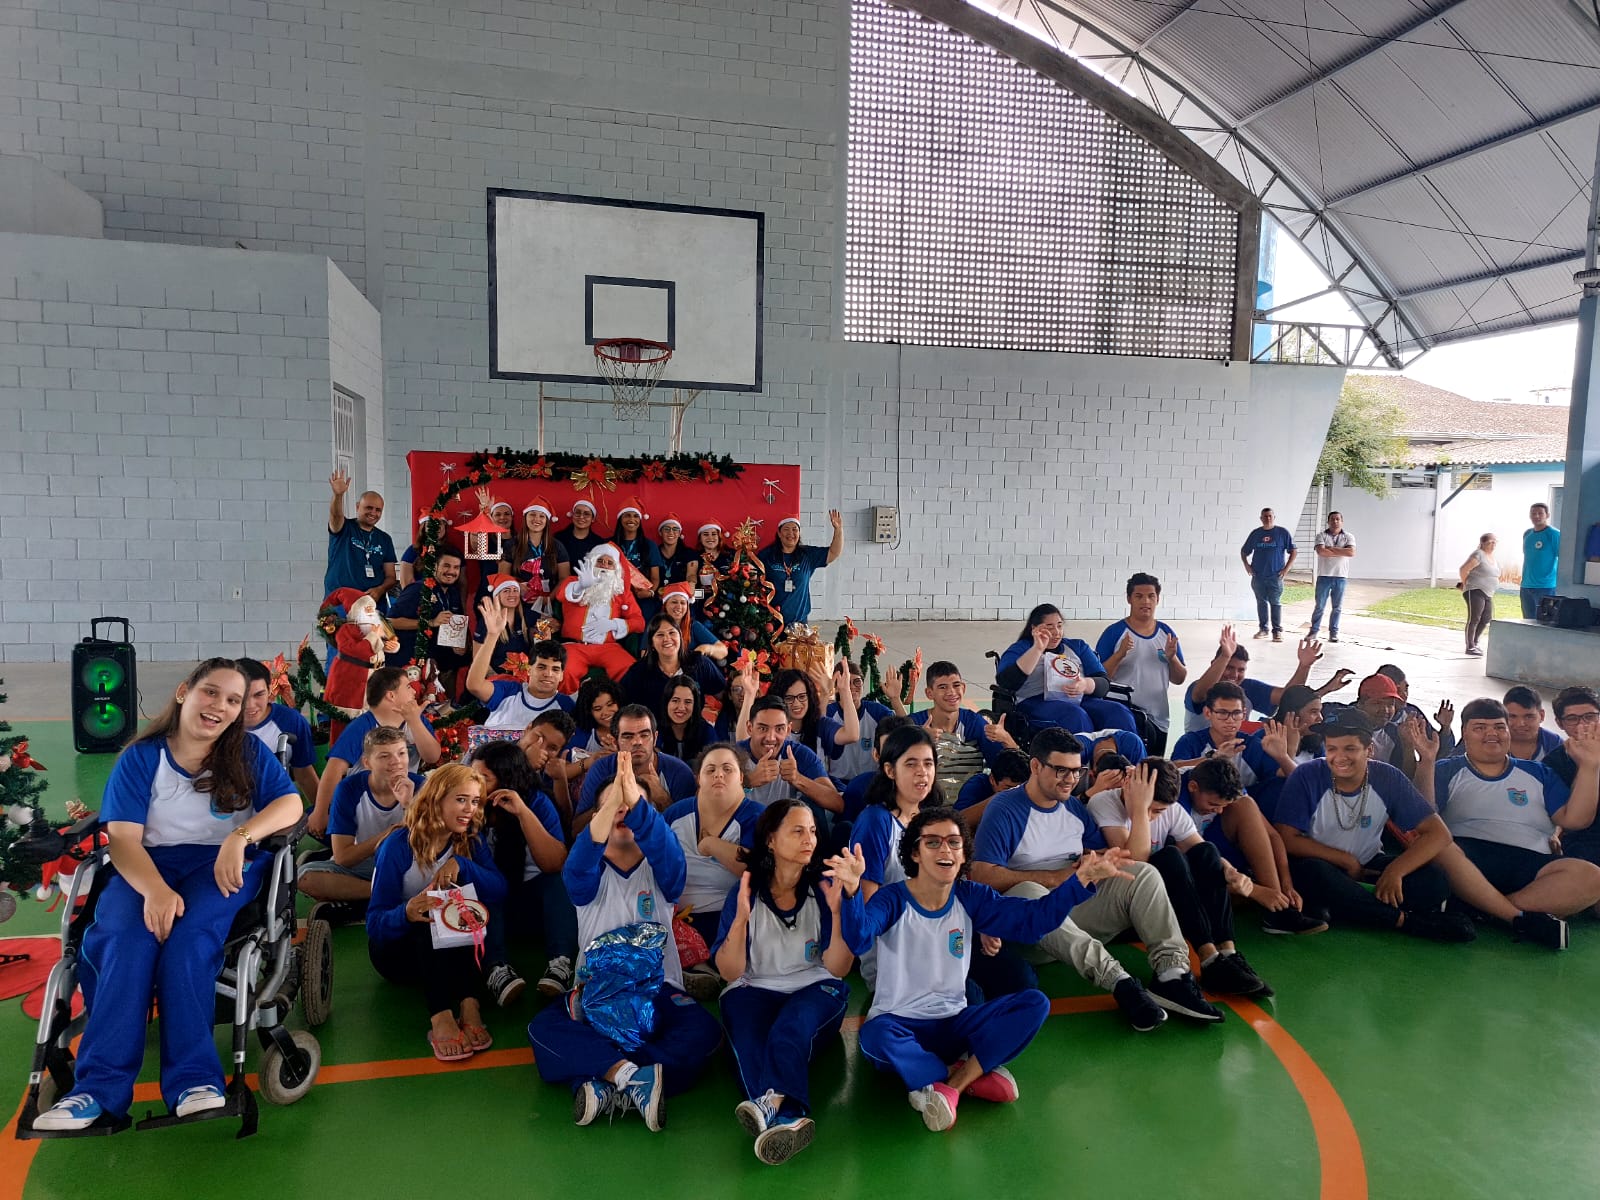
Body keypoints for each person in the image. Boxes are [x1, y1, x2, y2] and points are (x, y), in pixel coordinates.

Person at [31, 660, 304, 1131]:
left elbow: (291, 803)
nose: (220, 706)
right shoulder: (143, 757)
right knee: (121, 939)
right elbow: (121, 838)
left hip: (217, 864)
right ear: (184, 692)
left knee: (189, 941)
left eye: (233, 701)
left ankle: (195, 1081)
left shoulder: (247, 756)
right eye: (211, 693)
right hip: (145, 865)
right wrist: (155, 890)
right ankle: (97, 1092)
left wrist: (239, 839)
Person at [828, 806, 1133, 1132]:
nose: (945, 849)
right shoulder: (892, 899)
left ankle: (950, 1086)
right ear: (915, 853)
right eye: (932, 842)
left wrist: (1081, 879)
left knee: (1034, 1003)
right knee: (874, 1036)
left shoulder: (971, 896)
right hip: (901, 1024)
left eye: (954, 843)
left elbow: (1033, 920)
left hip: (957, 1024)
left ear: (963, 856)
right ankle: (966, 1075)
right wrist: (851, 892)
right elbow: (859, 939)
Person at [970, 728, 1220, 1031]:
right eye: (1061, 770)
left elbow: (1105, 853)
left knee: (1143, 873)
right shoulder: (1005, 809)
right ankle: (1119, 981)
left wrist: (1101, 862)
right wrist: (1054, 878)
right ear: (1036, 767)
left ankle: (1172, 974)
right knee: (1028, 891)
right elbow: (982, 875)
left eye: (1077, 771)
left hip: (1072, 915)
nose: (1070, 779)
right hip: (1028, 931)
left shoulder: (1074, 808)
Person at [527, 752, 723, 1130]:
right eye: (612, 808)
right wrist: (614, 801)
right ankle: (635, 1076)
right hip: (595, 996)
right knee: (542, 1030)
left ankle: (604, 1076)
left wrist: (634, 799)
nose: (623, 814)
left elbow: (665, 850)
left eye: (632, 808)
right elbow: (582, 859)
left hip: (659, 993)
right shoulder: (584, 872)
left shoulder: (664, 871)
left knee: (705, 1032)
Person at [712, 799, 852, 1165]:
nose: (810, 838)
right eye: (797, 830)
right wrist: (741, 919)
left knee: (791, 1027)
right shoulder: (744, 893)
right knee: (747, 1041)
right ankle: (789, 1118)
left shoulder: (823, 890)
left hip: (816, 986)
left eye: (813, 831)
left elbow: (838, 968)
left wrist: (838, 912)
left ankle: (771, 1102)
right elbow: (729, 972)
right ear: (771, 840)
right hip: (753, 987)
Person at [1272, 709, 1478, 943]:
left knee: (1434, 879)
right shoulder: (1306, 775)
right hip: (1321, 863)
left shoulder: (1387, 777)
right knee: (1314, 875)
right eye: (1332, 749)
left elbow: (1439, 834)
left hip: (1368, 864)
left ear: (1369, 750)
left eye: (1350, 749)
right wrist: (1345, 860)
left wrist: (1395, 871)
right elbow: (1287, 838)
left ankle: (1352, 908)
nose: (1339, 758)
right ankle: (1406, 921)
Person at [1089, 761, 1270, 997]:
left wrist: (1230, 871)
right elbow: (1136, 863)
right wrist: (1139, 809)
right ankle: (1208, 958)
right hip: (1128, 903)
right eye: (1152, 810)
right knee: (1170, 857)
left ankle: (1227, 954)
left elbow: (1201, 849)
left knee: (1208, 852)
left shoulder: (1170, 808)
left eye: (1159, 812)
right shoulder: (1104, 802)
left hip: (1166, 902)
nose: (1153, 818)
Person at [366, 765, 506, 1061]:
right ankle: (441, 1015)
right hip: (400, 953)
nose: (469, 809)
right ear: (436, 798)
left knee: (472, 912)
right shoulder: (399, 846)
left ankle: (469, 1004)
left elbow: (499, 890)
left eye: (475, 801)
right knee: (428, 919)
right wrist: (406, 912)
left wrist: (463, 865)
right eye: (460, 800)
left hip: (451, 953)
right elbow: (374, 926)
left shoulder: (470, 841)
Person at [1434, 698, 1600, 929]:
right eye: (1480, 728)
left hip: (1530, 860)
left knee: (1592, 876)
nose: (1491, 734)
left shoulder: (1539, 772)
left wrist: (1589, 766)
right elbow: (1424, 819)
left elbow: (1576, 820)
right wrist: (1425, 765)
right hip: (1467, 857)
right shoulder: (1446, 769)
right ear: (1465, 733)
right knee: (1439, 848)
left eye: (1499, 727)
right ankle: (1518, 918)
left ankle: (1483, 910)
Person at [475, 740, 577, 1004]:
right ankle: (496, 969)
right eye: (472, 776)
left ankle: (560, 963)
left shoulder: (538, 803)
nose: (475, 784)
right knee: (487, 885)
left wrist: (522, 812)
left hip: (535, 907)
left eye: (484, 778)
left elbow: (555, 863)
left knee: (558, 881)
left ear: (506, 779)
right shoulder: (470, 805)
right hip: (494, 910)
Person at [1180, 756, 1326, 935]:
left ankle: (1278, 908)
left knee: (1246, 805)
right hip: (1192, 864)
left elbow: (1273, 836)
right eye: (1213, 804)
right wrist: (1256, 892)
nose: (1218, 811)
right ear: (1193, 787)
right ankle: (1270, 904)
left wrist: (1286, 884)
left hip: (1224, 859)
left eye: (1223, 806)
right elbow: (1190, 860)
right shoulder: (1176, 797)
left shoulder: (1231, 789)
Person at [663, 743, 765, 997]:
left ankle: (707, 968)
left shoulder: (757, 817)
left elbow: (760, 869)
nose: (719, 774)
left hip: (731, 917)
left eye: (727, 769)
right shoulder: (676, 814)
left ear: (741, 777)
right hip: (679, 919)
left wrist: (712, 845)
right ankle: (696, 970)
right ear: (698, 778)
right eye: (711, 769)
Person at [298, 725, 424, 922]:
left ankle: (360, 902)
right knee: (305, 877)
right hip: (366, 863)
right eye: (384, 756)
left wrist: (409, 805)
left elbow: (427, 848)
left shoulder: (422, 787)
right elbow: (343, 858)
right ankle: (385, 895)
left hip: (408, 864)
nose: (397, 762)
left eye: (401, 753)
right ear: (367, 763)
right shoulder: (349, 789)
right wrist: (388, 835)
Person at [311, 667, 441, 838]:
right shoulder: (362, 726)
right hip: (365, 801)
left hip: (403, 796)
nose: (413, 691)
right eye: (408, 687)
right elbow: (334, 768)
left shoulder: (416, 720)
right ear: (391, 696)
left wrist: (415, 722)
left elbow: (432, 756)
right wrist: (320, 813)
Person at [995, 604, 1137, 735]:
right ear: (1035, 629)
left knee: (1119, 712)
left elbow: (1103, 682)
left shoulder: (1078, 647)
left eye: (1059, 626)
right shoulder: (1021, 649)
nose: (1056, 632)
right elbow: (1006, 681)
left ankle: (1124, 759)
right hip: (1036, 702)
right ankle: (1081, 759)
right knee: (1075, 716)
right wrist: (1037, 649)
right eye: (1049, 627)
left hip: (1078, 698)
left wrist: (1085, 684)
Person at [1180, 626, 1351, 733]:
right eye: (1228, 667)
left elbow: (1288, 698)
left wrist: (1304, 666)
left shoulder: (1247, 687)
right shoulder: (1199, 688)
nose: (1234, 675)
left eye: (1240, 670)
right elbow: (1201, 693)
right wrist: (1225, 655)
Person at [1094, 573, 1187, 754]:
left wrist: (1172, 658)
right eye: (1139, 596)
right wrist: (1120, 654)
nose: (1146, 601)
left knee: (1152, 771)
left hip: (1159, 717)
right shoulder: (1114, 633)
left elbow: (1179, 678)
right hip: (1124, 715)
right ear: (1129, 599)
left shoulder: (1166, 633)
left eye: (1151, 596)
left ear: (1157, 599)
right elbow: (1099, 679)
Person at [575, 704, 697, 826]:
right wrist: (612, 800)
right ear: (615, 742)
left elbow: (689, 833)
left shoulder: (680, 772)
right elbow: (576, 830)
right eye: (628, 736)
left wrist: (662, 799)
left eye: (644, 735)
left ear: (655, 738)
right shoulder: (601, 769)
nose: (637, 742)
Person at [914, 660, 1017, 803]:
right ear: (929, 693)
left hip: (968, 810)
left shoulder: (974, 722)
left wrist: (1006, 739)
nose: (951, 692)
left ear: (963, 688)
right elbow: (892, 766)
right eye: (943, 687)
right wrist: (917, 743)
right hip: (924, 812)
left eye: (956, 685)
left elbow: (1013, 767)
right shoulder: (914, 724)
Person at [1169, 683, 1296, 791]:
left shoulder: (1252, 745)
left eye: (1236, 713)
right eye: (1223, 713)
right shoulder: (1191, 741)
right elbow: (1172, 770)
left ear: (1244, 714)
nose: (1230, 720)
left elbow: (1294, 779)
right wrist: (1213, 758)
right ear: (1208, 713)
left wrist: (1283, 757)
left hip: (1242, 810)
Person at [557, 543, 645, 692]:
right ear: (591, 562)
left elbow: (639, 622)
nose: (604, 565)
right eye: (600, 561)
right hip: (575, 646)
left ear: (616, 569)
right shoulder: (574, 582)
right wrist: (581, 586)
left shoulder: (621, 592)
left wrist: (614, 625)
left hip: (608, 647)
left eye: (610, 563)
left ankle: (624, 709)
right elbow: (562, 595)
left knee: (630, 670)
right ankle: (566, 710)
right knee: (565, 671)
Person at [740, 695, 844, 819]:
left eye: (779, 729)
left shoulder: (799, 754)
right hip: (745, 829)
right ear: (750, 728)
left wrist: (797, 779)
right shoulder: (733, 756)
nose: (771, 737)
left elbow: (837, 803)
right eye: (763, 728)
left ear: (788, 730)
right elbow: (712, 805)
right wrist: (748, 782)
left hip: (787, 830)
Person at [237, 657, 318, 805]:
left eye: (258, 695)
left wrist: (322, 813)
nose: (250, 705)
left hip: (276, 811)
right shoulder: (217, 723)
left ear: (270, 691)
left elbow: (304, 774)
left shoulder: (291, 721)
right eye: (241, 696)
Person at [388, 546, 471, 691]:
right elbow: (391, 621)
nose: (451, 571)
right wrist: (430, 622)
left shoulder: (453, 593)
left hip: (439, 668)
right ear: (434, 566)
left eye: (456, 567)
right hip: (411, 669)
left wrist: (458, 645)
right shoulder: (418, 590)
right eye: (446, 566)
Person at [767, 664, 862, 779]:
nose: (796, 704)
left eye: (802, 696)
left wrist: (845, 691)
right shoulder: (770, 729)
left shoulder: (820, 724)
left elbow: (852, 735)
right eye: (789, 698)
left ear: (810, 696)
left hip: (817, 792)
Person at [466, 633, 573, 731]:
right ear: (530, 670)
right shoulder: (508, 691)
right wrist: (492, 635)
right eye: (541, 667)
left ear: (561, 675)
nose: (548, 674)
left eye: (555, 669)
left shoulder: (566, 706)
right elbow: (475, 686)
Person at [325, 467, 397, 609]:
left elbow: (391, 576)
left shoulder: (384, 539)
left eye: (378, 510)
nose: (373, 513)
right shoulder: (344, 528)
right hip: (340, 604)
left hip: (371, 606)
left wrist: (380, 589)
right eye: (369, 508)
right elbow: (335, 516)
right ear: (358, 506)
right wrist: (338, 495)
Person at [622, 612, 726, 709]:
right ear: (652, 643)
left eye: (672, 633)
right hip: (655, 728)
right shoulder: (639, 671)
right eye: (660, 635)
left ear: (680, 638)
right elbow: (621, 702)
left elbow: (724, 695)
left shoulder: (699, 662)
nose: (667, 639)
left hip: (695, 727)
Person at [758, 510, 844, 627]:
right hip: (771, 622)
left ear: (799, 533)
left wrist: (838, 530)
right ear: (779, 533)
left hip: (799, 623)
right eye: (786, 529)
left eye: (795, 529)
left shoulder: (807, 554)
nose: (791, 533)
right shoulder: (767, 555)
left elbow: (833, 552)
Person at [1546, 687, 1600, 869]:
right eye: (1572, 719)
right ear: (1559, 723)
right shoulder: (1553, 763)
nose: (1583, 725)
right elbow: (1567, 817)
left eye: (1590, 716)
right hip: (1584, 839)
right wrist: (1586, 765)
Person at [827, 661, 905, 782]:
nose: (852, 687)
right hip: (838, 784)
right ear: (836, 687)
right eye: (846, 682)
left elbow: (906, 731)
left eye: (857, 681)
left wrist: (895, 699)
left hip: (872, 782)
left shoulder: (876, 712)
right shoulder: (829, 714)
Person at [501, 499, 566, 619]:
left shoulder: (557, 546)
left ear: (547, 521)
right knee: (520, 636)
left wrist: (548, 599)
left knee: (541, 637)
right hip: (517, 605)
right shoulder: (511, 545)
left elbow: (564, 578)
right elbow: (502, 576)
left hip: (547, 607)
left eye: (542, 516)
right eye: (532, 515)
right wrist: (517, 587)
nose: (537, 519)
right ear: (525, 517)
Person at [1240, 507, 1296, 642]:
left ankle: (1277, 631)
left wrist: (1286, 569)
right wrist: (1247, 565)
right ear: (1261, 518)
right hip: (1258, 576)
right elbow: (1244, 551)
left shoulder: (1282, 533)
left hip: (1275, 576)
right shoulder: (1255, 534)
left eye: (1270, 516)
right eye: (1265, 516)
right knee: (1261, 602)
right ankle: (1263, 629)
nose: (1268, 518)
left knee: (1275, 603)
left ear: (1274, 517)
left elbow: (1293, 551)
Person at [472, 575, 535, 674]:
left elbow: (548, 625)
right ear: (497, 596)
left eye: (515, 590)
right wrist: (498, 681)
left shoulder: (526, 617)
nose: (512, 594)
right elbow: (477, 658)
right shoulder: (487, 621)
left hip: (524, 679)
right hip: (496, 681)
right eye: (506, 591)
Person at [1309, 511, 1355, 642]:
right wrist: (1341, 551)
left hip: (1340, 577)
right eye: (1332, 519)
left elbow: (1351, 552)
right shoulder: (1321, 535)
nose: (1335, 521)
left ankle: (1333, 633)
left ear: (1342, 521)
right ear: (1328, 521)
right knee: (1319, 606)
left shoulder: (1349, 536)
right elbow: (1321, 551)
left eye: (1338, 519)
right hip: (1324, 576)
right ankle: (1314, 631)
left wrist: (1331, 549)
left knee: (1337, 607)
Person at [954, 748, 1031, 825]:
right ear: (992, 780)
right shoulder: (977, 785)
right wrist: (999, 799)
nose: (1016, 794)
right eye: (1008, 788)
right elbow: (957, 822)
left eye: (1020, 788)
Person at [612, 499, 664, 608]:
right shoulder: (609, 544)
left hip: (643, 600)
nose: (632, 519)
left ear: (640, 520)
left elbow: (655, 578)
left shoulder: (650, 545)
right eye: (627, 515)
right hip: (615, 598)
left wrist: (650, 592)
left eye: (636, 516)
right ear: (620, 519)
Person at [659, 581, 729, 661]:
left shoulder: (693, 625)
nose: (679, 606)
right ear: (665, 605)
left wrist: (706, 648)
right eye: (674, 602)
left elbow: (723, 651)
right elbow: (646, 657)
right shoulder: (655, 626)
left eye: (683, 603)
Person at [657, 674, 718, 764]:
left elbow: (714, 762)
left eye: (688, 702)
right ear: (667, 702)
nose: (681, 707)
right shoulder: (655, 729)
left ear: (695, 705)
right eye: (675, 700)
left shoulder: (706, 730)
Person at [1457, 532, 1499, 657]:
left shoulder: (1492, 557)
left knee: (1486, 618)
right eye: (1490, 542)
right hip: (1475, 589)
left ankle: (1475, 642)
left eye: (1495, 542)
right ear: (1483, 543)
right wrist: (1465, 584)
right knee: (1474, 618)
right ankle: (1469, 646)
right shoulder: (1478, 554)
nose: (1493, 545)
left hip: (1488, 592)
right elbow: (1463, 569)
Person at [1520, 503, 1561, 619]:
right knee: (1527, 620)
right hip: (1526, 586)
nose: (1536, 516)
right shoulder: (1527, 534)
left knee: (1544, 621)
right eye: (1533, 513)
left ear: (1547, 515)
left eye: (1540, 513)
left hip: (1545, 586)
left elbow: (1562, 558)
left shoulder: (1554, 534)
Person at [1503, 685, 1562, 762]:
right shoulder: (1492, 742)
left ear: (1542, 715)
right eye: (1512, 716)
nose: (1520, 724)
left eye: (1528, 717)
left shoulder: (1554, 745)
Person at [554, 499, 606, 578]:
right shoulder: (558, 539)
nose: (581, 517)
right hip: (562, 585)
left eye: (586, 514)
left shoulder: (599, 543)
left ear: (593, 519)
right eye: (578, 512)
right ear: (573, 515)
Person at [655, 515, 700, 589]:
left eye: (675, 529)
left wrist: (691, 586)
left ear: (679, 533)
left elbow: (691, 575)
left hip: (680, 596)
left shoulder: (690, 553)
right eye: (667, 529)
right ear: (660, 533)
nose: (671, 532)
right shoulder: (654, 552)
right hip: (658, 596)